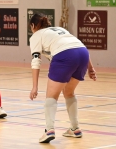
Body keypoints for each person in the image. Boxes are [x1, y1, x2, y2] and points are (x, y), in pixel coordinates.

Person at [28, 13, 97, 143]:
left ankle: (49, 130)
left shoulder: (36, 36)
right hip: (83, 54)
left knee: (51, 96)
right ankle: (75, 128)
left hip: (65, 55)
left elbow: (36, 61)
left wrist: (35, 86)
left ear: (33, 26)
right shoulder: (60, 30)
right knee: (69, 92)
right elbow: (78, 45)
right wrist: (90, 68)